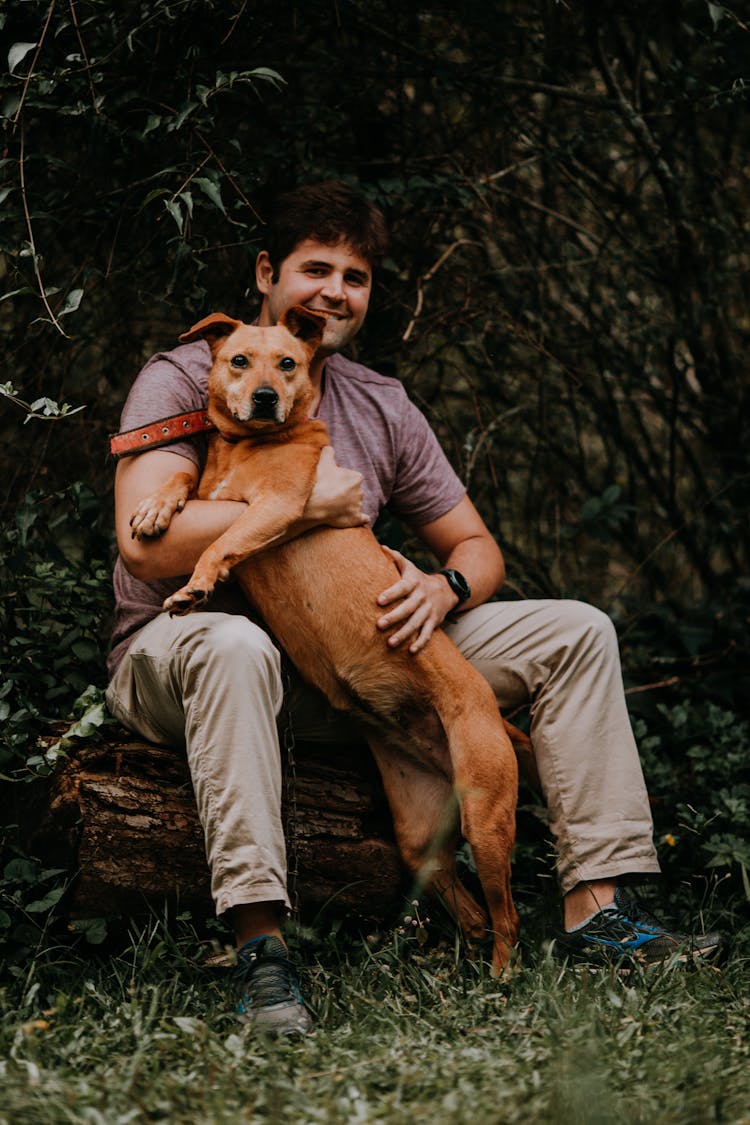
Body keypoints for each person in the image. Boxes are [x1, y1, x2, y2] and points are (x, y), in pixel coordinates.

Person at [106, 181, 723, 1037]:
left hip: (350, 652)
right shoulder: (187, 371)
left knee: (578, 630)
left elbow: (477, 547)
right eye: (313, 268)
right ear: (264, 272)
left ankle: (599, 908)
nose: (333, 290)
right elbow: (144, 545)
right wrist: (316, 506)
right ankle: (262, 950)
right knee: (236, 649)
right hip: (187, 649)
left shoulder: (380, 401)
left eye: (354, 277)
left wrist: (445, 586)